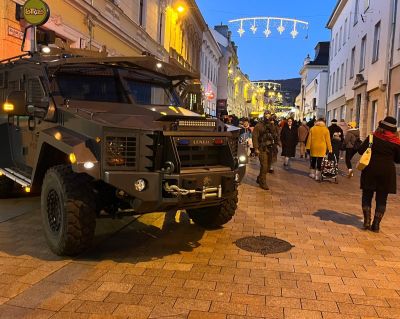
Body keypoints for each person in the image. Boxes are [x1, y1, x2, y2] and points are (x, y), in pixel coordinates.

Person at [357, 116, 400, 232]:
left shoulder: (372, 137)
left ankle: (366, 222)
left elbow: (361, 151)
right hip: (387, 172)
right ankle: (376, 225)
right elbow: (398, 160)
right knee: (382, 199)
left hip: (370, 169)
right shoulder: (396, 142)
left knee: (367, 195)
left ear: (380, 127)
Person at [252, 111, 279, 190]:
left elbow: (276, 135)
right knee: (264, 166)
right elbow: (255, 137)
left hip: (271, 148)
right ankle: (263, 182)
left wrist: (273, 125)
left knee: (268, 168)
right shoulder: (259, 125)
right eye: (266, 115)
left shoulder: (272, 125)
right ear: (263, 116)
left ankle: (259, 178)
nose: (267, 116)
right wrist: (256, 148)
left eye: (269, 115)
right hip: (262, 148)